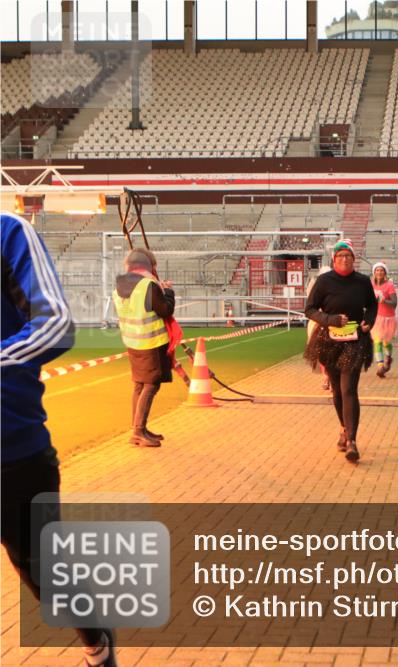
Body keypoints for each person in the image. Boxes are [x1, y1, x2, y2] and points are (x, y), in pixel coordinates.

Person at [1, 212, 118, 667]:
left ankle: (96, 641)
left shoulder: (9, 232)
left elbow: (56, 325)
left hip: (13, 450)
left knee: (43, 570)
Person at [304, 239, 376, 462]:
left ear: (354, 259)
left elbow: (372, 305)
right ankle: (344, 428)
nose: (344, 259)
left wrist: (369, 321)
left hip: (355, 340)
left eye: (348, 256)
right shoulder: (324, 281)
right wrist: (330, 319)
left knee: (349, 390)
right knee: (336, 390)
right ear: (334, 260)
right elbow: (309, 309)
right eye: (340, 256)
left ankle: (353, 441)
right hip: (329, 341)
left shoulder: (363, 282)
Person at [113, 247, 175, 448]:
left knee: (140, 384)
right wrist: (168, 292)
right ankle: (138, 432)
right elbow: (165, 310)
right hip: (150, 343)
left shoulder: (119, 286)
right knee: (150, 384)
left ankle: (138, 428)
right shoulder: (148, 285)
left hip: (133, 342)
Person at [305, 266, 333, 390]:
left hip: (333, 323)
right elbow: (311, 308)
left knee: (332, 352)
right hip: (317, 323)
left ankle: (331, 377)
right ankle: (326, 377)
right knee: (321, 352)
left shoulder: (336, 288)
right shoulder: (315, 289)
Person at [370, 262, 398, 379]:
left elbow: (394, 303)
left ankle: (388, 358)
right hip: (376, 318)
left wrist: (384, 300)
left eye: (381, 270)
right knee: (377, 341)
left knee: (386, 343)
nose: (379, 272)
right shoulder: (370, 285)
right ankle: (380, 366)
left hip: (388, 318)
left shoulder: (389, 285)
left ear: (385, 273)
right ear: (374, 273)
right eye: (377, 270)